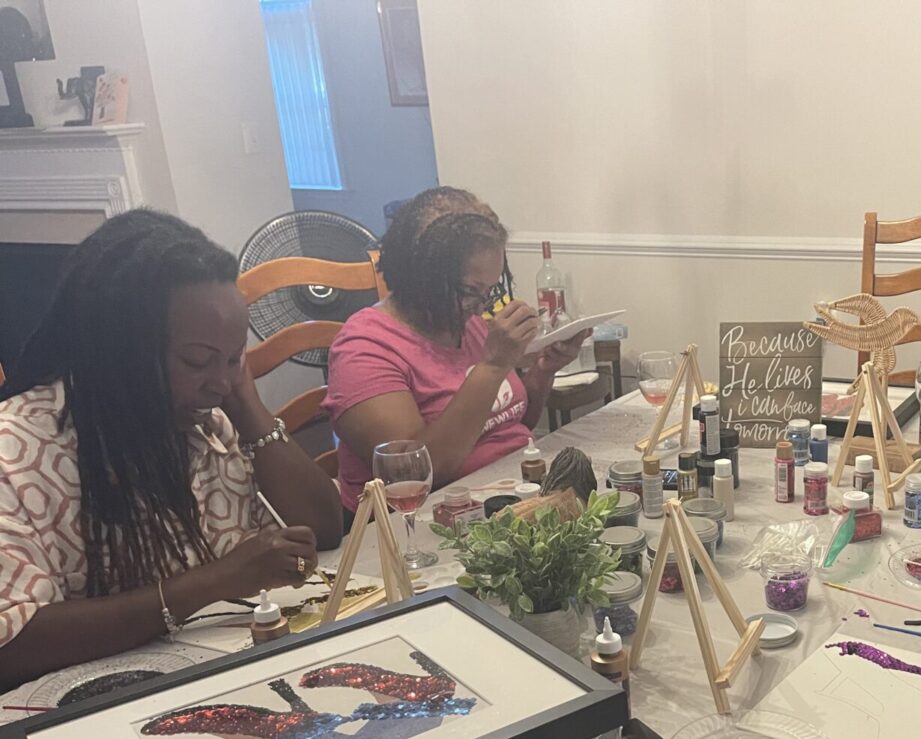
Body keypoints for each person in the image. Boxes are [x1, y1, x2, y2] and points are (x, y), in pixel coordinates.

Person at [0, 209, 343, 691]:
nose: (220, 382)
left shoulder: (207, 421)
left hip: (218, 678)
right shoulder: (15, 452)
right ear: (119, 348)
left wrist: (248, 406)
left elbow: (325, 528)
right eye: (198, 360)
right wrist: (213, 583)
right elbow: (13, 644)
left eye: (232, 358)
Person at [324, 187, 587, 510]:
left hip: (506, 493)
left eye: (489, 291)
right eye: (469, 291)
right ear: (419, 276)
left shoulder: (462, 323)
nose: (479, 308)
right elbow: (416, 474)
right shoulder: (364, 349)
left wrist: (544, 370)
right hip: (426, 520)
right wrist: (491, 367)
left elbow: (509, 424)